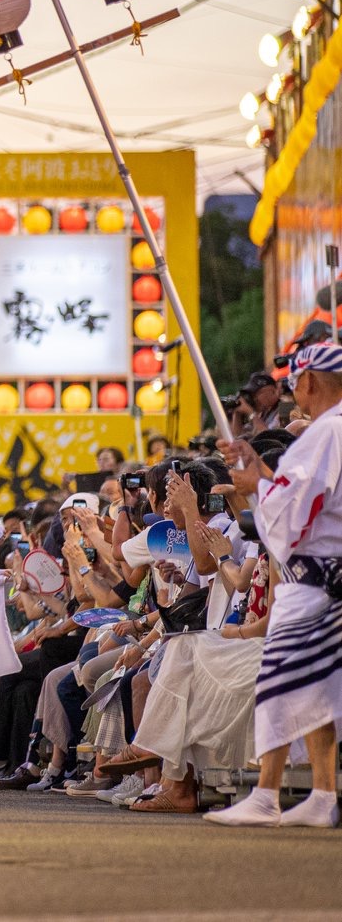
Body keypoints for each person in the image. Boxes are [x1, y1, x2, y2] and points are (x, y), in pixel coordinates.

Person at [209, 342, 342, 827]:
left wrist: (253, 486)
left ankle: (266, 794)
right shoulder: (330, 431)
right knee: (321, 689)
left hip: (316, 580)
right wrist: (260, 472)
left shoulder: (328, 431)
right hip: (328, 578)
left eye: (293, 383)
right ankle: (323, 795)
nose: (291, 392)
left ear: (308, 382)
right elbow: (295, 495)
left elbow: (294, 512)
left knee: (281, 681)